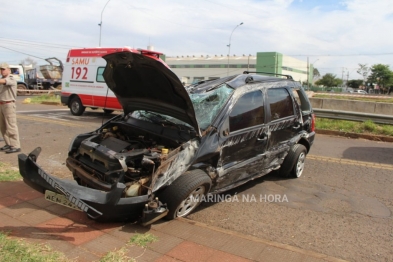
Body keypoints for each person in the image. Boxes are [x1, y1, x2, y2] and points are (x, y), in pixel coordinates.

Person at [0, 62, 21, 153]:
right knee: (3, 126)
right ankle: (8, 143)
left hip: (9, 104)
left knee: (11, 125)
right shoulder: (2, 79)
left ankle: (15, 145)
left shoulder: (11, 78)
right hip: (1, 104)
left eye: (3, 69)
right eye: (0, 69)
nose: (2, 71)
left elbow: (4, 82)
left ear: (8, 70)